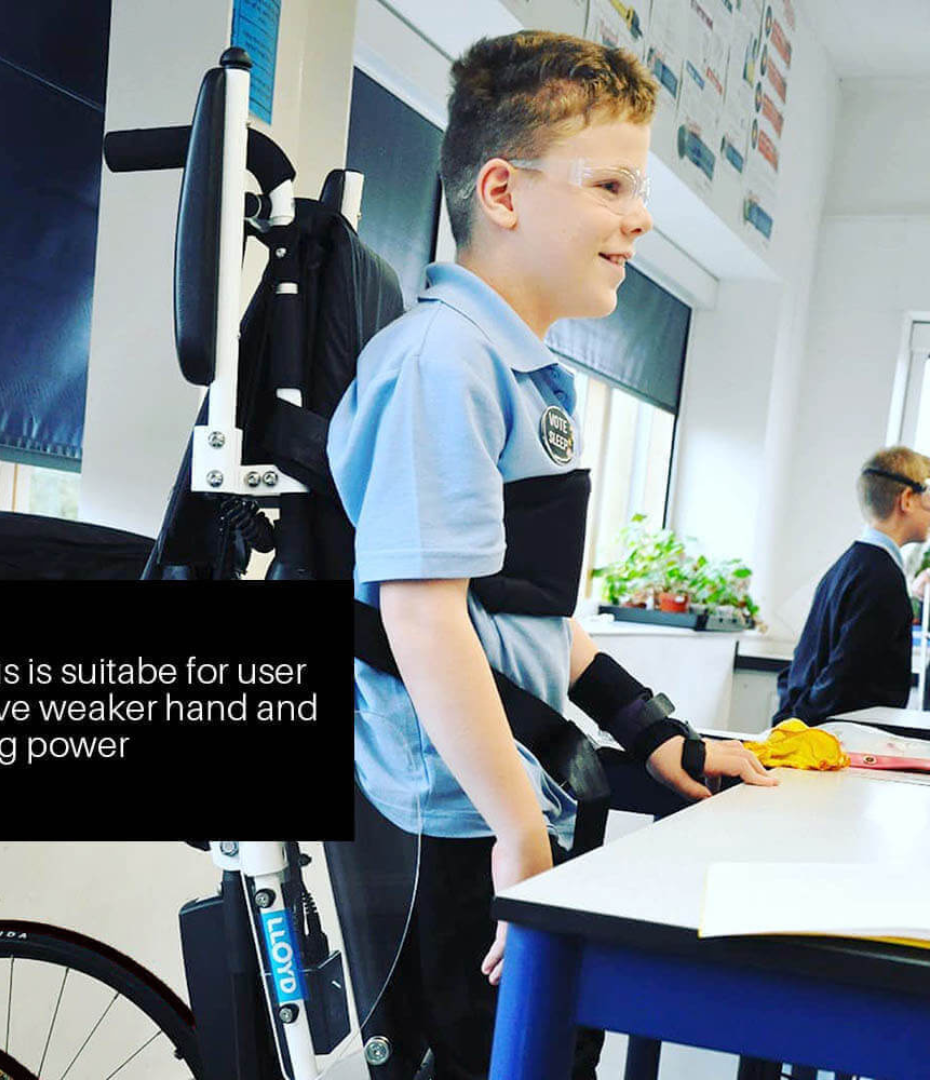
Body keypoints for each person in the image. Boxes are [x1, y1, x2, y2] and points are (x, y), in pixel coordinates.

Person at [328, 31, 775, 1080]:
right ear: (502, 191)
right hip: (452, 822)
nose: (642, 217)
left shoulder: (515, 370)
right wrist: (521, 839)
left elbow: (523, 613)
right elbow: (423, 620)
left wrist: (652, 731)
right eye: (612, 183)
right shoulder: (443, 364)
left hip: (506, 803)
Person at [775, 446, 930, 726]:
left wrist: (790, 720)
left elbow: (805, 664)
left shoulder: (848, 565)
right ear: (907, 499)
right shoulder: (882, 578)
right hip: (839, 739)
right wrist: (797, 728)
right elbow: (846, 676)